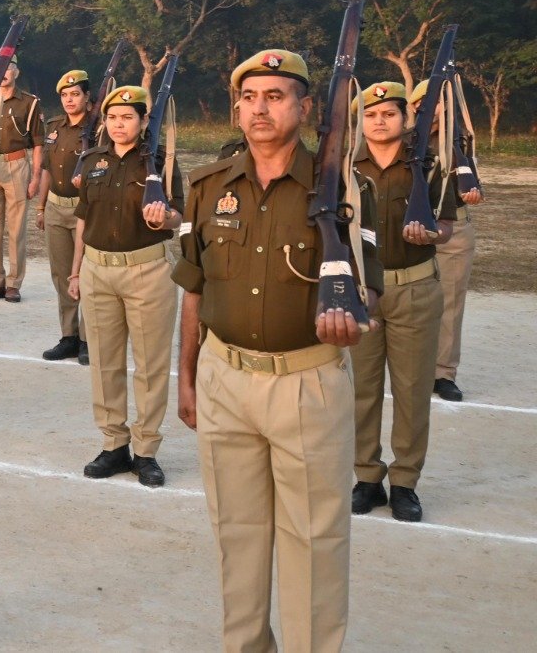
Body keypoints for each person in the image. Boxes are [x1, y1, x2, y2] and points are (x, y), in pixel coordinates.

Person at [174, 48, 381, 653]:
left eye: (275, 96)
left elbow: (370, 294)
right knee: (236, 536)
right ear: (236, 109)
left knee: (314, 540)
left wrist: (353, 323)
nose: (259, 108)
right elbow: (194, 288)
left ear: (305, 106)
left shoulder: (345, 190)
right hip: (224, 378)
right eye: (249, 97)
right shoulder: (208, 187)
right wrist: (185, 377)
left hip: (306, 383)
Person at [351, 81, 456, 523]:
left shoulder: (429, 167)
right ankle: (367, 477)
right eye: (371, 115)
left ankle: (406, 482)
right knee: (362, 389)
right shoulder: (344, 169)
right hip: (362, 292)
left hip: (415, 287)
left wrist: (433, 232)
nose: (380, 121)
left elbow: (447, 225)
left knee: (413, 390)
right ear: (361, 121)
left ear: (406, 118)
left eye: (389, 114)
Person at [69, 86, 184, 488]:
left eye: (128, 118)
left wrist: (165, 216)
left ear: (142, 122)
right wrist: (74, 271)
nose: (119, 125)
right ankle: (113, 443)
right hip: (97, 270)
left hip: (147, 270)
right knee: (104, 361)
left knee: (151, 364)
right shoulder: (93, 161)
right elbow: (83, 219)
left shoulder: (161, 163)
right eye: (113, 118)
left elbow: (179, 219)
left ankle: (146, 449)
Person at [407, 79, 481, 402]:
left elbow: (472, 183)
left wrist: (472, 191)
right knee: (406, 299)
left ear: (445, 105)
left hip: (454, 231)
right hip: (412, 228)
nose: (428, 108)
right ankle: (410, 366)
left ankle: (443, 373)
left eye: (435, 102)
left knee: (450, 302)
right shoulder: (404, 140)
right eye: (421, 103)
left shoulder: (460, 140)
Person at [0, 58, 43, 303]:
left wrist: (35, 177)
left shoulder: (29, 103)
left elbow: (37, 144)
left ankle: (14, 283)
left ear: (16, 71)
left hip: (16, 165)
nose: (2, 73)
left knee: (16, 228)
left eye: (7, 69)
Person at [38, 69, 91, 363]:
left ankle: (87, 338)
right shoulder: (55, 126)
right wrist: (41, 206)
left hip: (85, 209)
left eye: (75, 94)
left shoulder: (96, 129)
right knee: (61, 275)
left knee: (84, 274)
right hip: (57, 207)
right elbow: (47, 168)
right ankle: (69, 336)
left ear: (87, 97)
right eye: (65, 95)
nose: (70, 100)